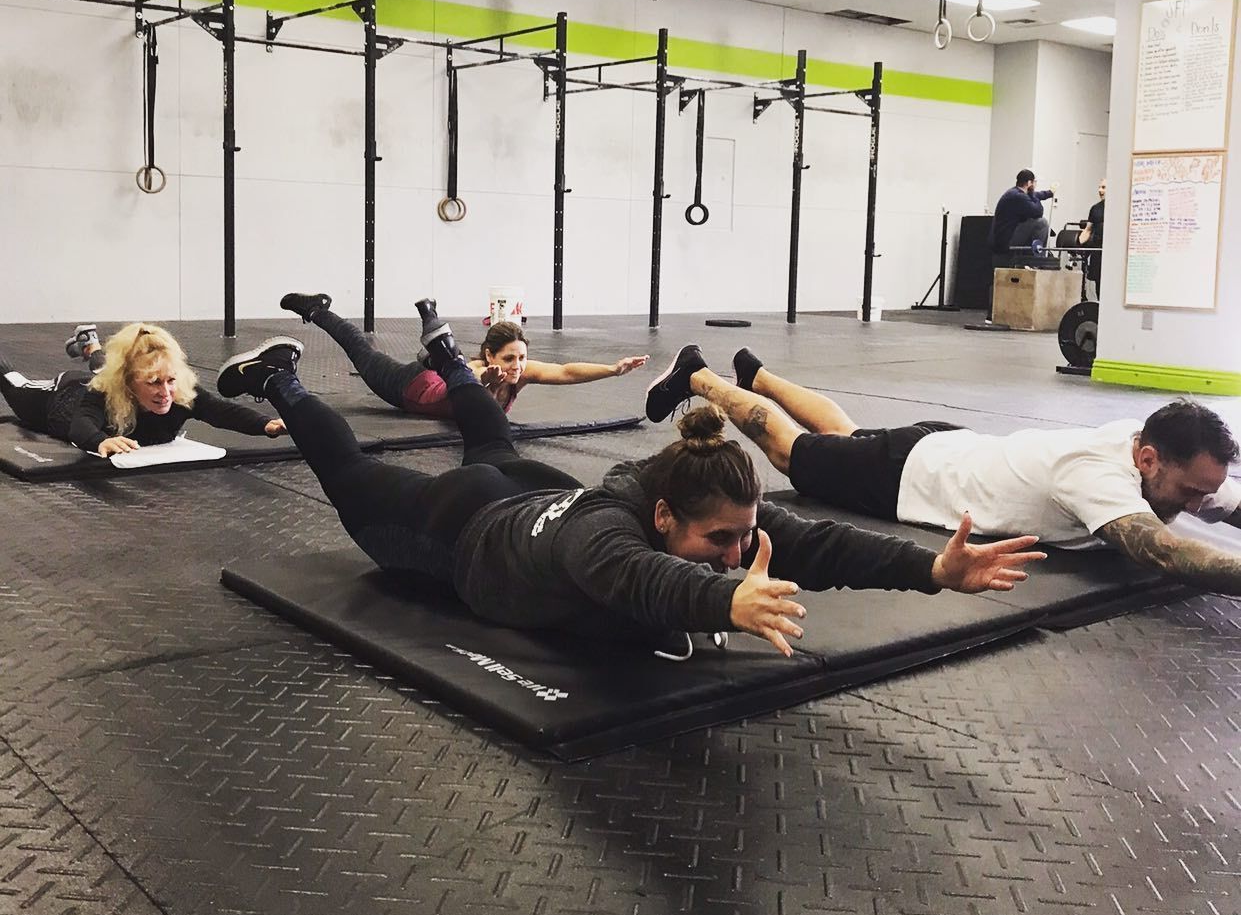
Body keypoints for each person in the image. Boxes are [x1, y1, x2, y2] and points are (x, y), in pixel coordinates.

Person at [217, 308, 1044, 658]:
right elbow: (649, 582)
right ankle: (278, 379)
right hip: (461, 529)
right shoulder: (604, 539)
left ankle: (447, 360)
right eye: (718, 543)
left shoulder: (694, 496)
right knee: (355, 479)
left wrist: (932, 568)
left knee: (492, 435)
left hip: (529, 488)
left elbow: (819, 542)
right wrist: (725, 602)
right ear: (663, 515)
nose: (735, 554)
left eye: (739, 537)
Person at [644, 343, 1241, 595]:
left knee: (846, 436)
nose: (1198, 505)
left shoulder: (1155, 448)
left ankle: (758, 376)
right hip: (913, 474)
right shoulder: (1098, 477)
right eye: (1189, 493)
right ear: (1147, 460)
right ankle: (699, 376)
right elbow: (1167, 553)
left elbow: (1226, 500)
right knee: (792, 452)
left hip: (948, 446)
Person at [279, 291, 648, 418]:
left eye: (521, 358)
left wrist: (612, 369)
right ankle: (316, 310)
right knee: (359, 348)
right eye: (509, 359)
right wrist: (486, 378)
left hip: (435, 375)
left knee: (447, 364)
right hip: (406, 388)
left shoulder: (520, 373)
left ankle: (433, 353)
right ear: (490, 356)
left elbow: (565, 371)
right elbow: (472, 379)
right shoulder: (477, 368)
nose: (518, 366)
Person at [1, 322, 286, 457]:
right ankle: (92, 348)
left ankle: (91, 345)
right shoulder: (104, 392)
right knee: (13, 383)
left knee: (107, 368)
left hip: (114, 377)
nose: (166, 392)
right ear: (128, 383)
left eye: (170, 380)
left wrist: (265, 424)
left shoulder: (179, 391)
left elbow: (221, 411)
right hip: (60, 397)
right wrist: (100, 441)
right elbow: (81, 425)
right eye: (154, 383)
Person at [987, 169, 1055, 321]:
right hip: (1006, 241)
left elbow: (1037, 195)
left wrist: (1050, 193)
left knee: (998, 280)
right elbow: (1038, 211)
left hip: (1000, 240)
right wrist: (1034, 194)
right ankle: (1037, 258)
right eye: (1034, 183)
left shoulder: (1013, 193)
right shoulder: (1018, 197)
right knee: (1041, 223)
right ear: (1029, 183)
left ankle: (994, 315)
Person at [1077, 177, 1105, 298]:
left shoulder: (1118, 208)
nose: (1100, 190)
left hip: (1111, 253)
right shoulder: (1095, 208)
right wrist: (1078, 243)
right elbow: (1088, 230)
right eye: (1099, 187)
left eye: (1103, 187)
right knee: (1098, 284)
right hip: (1097, 251)